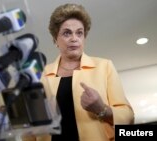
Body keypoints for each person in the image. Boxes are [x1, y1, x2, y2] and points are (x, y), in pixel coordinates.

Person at [23, 3, 134, 141]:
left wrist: (102, 109)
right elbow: (29, 131)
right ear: (55, 39)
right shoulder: (40, 76)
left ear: (84, 38)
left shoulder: (104, 67)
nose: (74, 38)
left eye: (79, 33)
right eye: (67, 33)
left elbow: (128, 117)